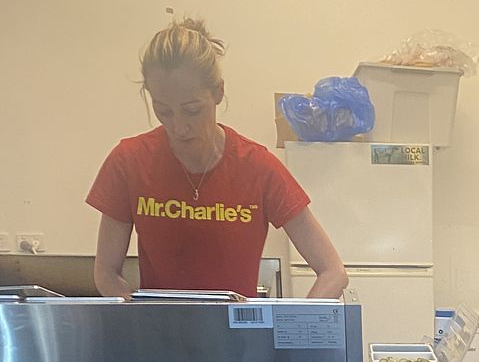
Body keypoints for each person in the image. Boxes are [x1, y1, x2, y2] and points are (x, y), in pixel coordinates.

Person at [87, 17, 348, 299]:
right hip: (158, 327)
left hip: (237, 328)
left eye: (192, 110)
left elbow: (333, 272)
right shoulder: (128, 163)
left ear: (218, 92)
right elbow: (106, 273)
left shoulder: (258, 168)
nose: (179, 127)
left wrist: (297, 325)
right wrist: (138, 317)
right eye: (164, 111)